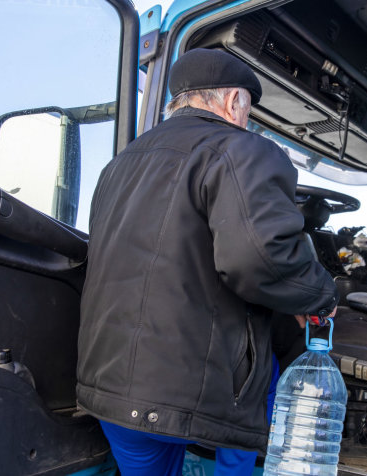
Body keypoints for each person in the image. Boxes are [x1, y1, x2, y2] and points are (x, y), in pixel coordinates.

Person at [77, 48, 339, 475]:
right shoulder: (242, 149)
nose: (247, 120)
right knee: (266, 378)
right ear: (235, 101)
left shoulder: (120, 165)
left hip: (110, 390)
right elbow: (260, 259)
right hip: (195, 395)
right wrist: (320, 296)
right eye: (248, 110)